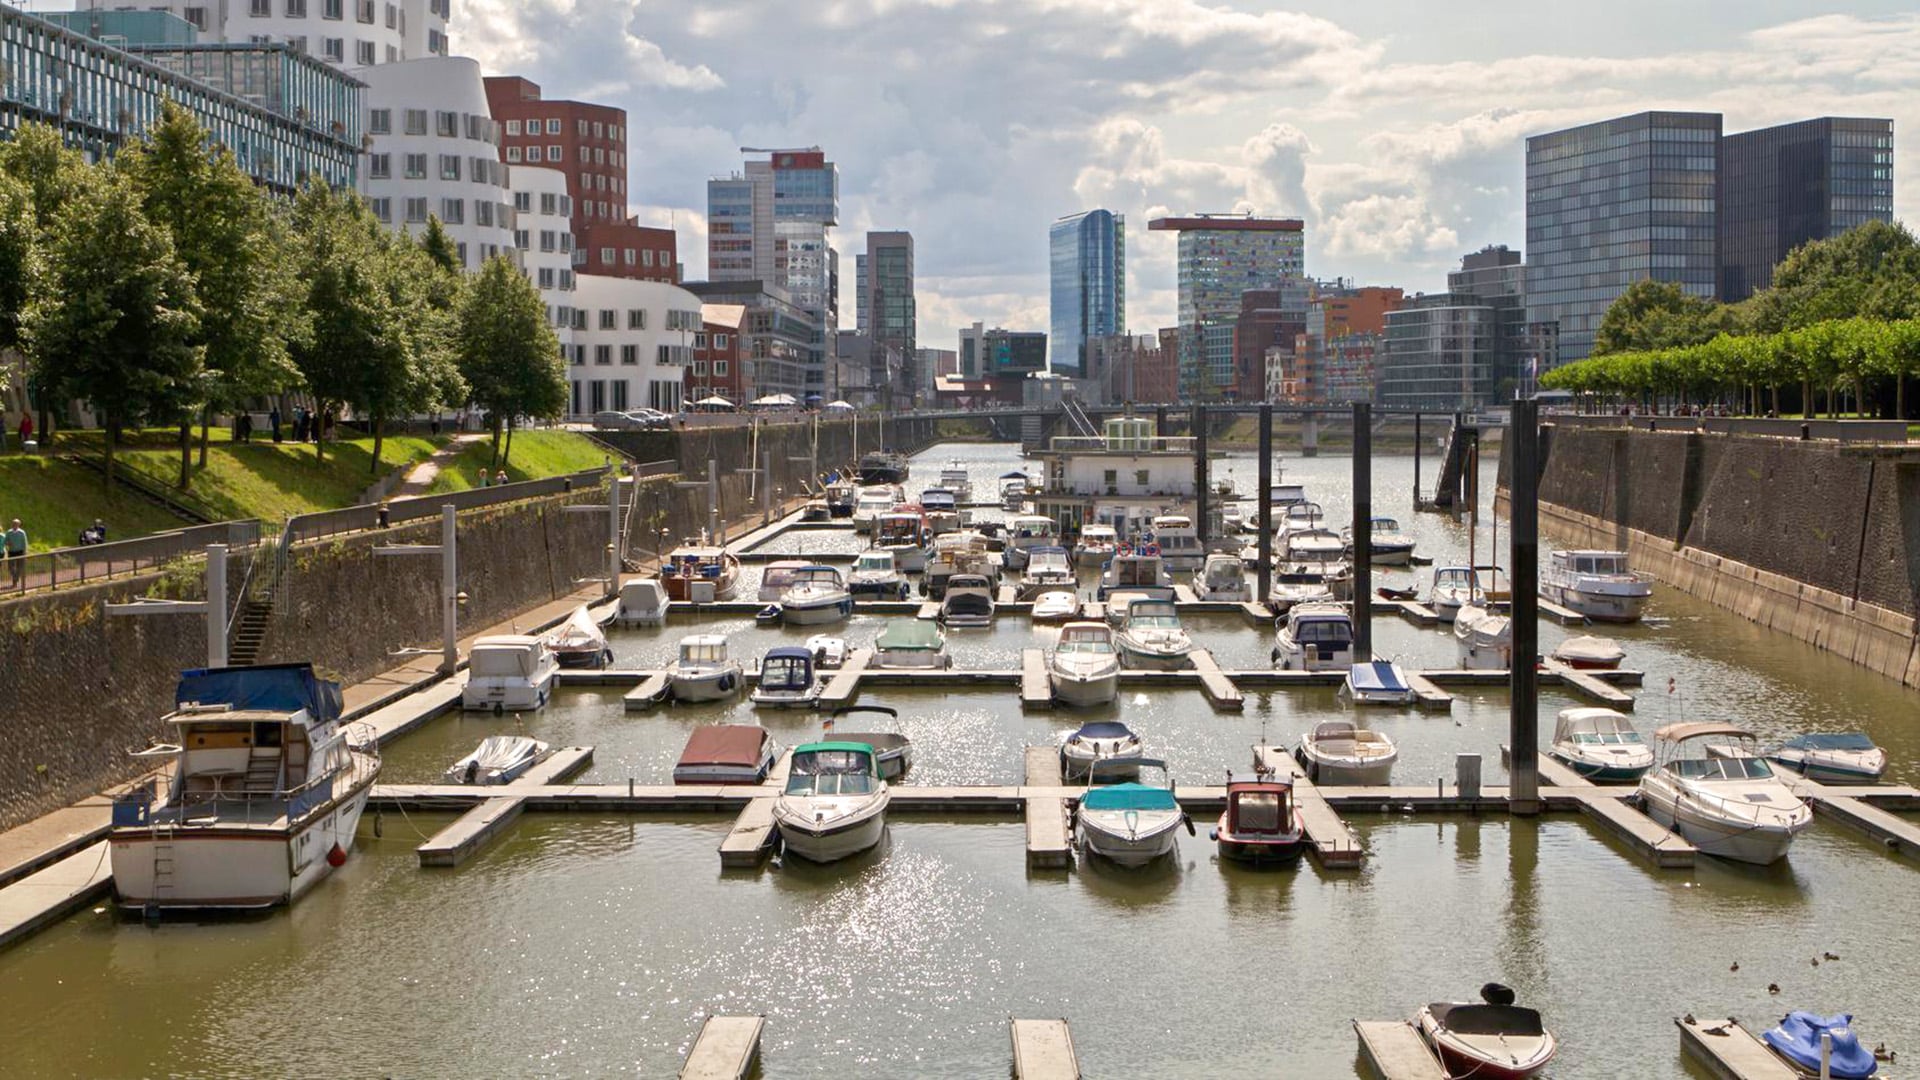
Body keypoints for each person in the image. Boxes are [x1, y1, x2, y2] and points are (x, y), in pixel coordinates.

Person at [4, 518, 25, 587]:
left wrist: (25, 553)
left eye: (16, 524)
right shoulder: (8, 532)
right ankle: (15, 579)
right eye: (13, 524)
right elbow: (5, 541)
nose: (14, 525)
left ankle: (14, 582)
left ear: (19, 525)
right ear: (12, 524)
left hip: (20, 552)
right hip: (11, 552)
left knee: (19, 567)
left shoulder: (22, 533)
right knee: (10, 567)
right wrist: (8, 543)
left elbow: (25, 543)